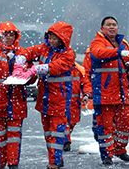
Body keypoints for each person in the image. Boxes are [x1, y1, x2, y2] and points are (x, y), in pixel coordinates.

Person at [83, 16, 129, 165]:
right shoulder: (97, 43)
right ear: (102, 28)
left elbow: (126, 63)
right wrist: (118, 53)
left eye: (114, 24)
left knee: (126, 122)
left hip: (122, 93)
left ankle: (120, 150)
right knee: (105, 126)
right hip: (104, 94)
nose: (112, 27)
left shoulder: (123, 44)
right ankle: (107, 155)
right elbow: (98, 54)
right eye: (108, 25)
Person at [21, 21, 76, 169]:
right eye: (50, 37)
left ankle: (54, 162)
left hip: (60, 98)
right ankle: (55, 158)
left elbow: (56, 67)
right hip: (45, 98)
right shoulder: (45, 49)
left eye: (54, 38)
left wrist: (36, 69)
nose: (51, 41)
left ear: (62, 38)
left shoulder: (68, 54)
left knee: (56, 132)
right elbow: (31, 51)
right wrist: (22, 57)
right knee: (48, 132)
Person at [0, 22, 31, 169]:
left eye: (12, 34)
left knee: (14, 137)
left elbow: (29, 76)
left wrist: (29, 74)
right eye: (6, 34)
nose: (9, 37)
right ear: (0, 35)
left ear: (16, 36)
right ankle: (0, 164)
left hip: (16, 102)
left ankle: (13, 164)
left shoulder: (21, 52)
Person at [64, 62, 92, 152]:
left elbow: (86, 84)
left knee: (72, 122)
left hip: (74, 103)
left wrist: (86, 94)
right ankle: (66, 141)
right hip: (61, 102)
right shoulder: (59, 69)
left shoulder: (78, 70)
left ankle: (65, 138)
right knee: (64, 123)